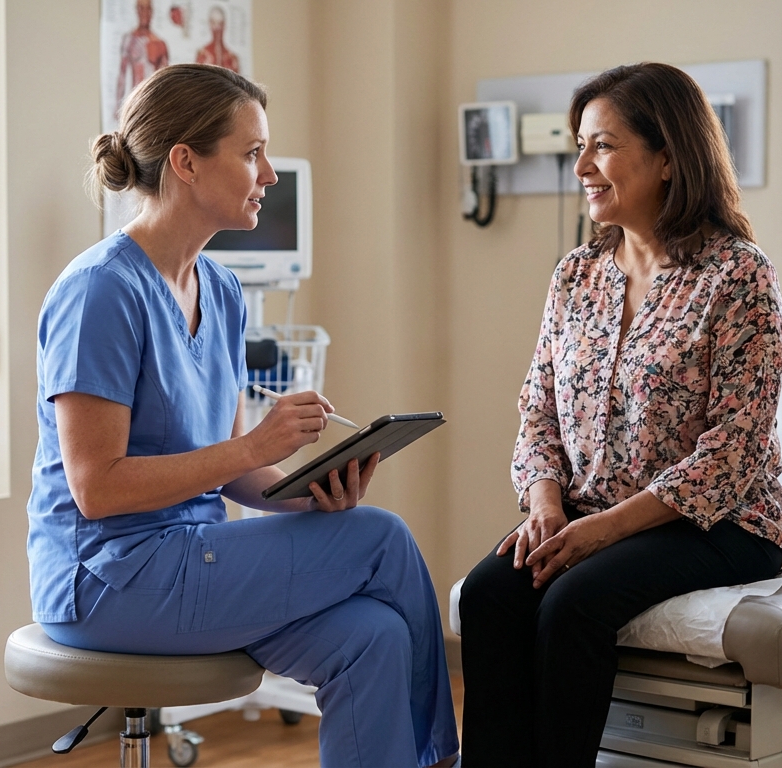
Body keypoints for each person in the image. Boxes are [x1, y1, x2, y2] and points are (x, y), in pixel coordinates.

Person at [28, 63, 459, 768]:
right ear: (186, 163)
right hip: (106, 579)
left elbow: (231, 465)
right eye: (252, 152)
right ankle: (442, 759)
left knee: (372, 636)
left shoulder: (221, 291)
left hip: (192, 560)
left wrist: (303, 491)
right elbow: (96, 488)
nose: (270, 174)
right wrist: (254, 445)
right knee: (380, 539)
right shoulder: (100, 292)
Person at [458, 62, 782, 768]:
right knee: (489, 593)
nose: (582, 165)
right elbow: (538, 407)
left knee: (574, 600)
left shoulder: (738, 276)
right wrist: (546, 505)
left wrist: (598, 532)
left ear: (668, 156)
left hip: (718, 525)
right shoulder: (576, 274)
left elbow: (732, 454)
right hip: (586, 510)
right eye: (581, 145)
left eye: (602, 146)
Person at [115, 0, 170, 119]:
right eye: (141, 8)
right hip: (134, 106)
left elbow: (166, 82)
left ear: (152, 12)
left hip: (153, 107)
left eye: (148, 9)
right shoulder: (129, 40)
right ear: (137, 10)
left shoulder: (160, 44)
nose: (145, 13)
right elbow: (122, 75)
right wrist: (117, 106)